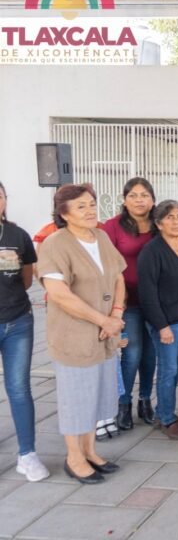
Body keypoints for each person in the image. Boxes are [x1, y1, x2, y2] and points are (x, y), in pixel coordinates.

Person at [39, 184, 127, 484]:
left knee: (97, 393)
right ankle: (73, 457)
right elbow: (59, 294)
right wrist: (102, 320)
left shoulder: (100, 236)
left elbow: (118, 276)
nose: (90, 210)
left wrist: (115, 314)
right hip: (74, 334)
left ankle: (90, 450)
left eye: (92, 204)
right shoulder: (55, 244)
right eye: (81, 206)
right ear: (63, 213)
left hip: (104, 334)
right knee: (76, 397)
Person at [138, 201, 178, 440]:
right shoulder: (152, 252)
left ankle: (165, 411)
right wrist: (162, 326)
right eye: (169, 217)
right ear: (158, 223)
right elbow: (147, 293)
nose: (176, 221)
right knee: (168, 370)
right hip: (167, 323)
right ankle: (166, 419)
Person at [0, 182, 49, 482]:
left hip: (18, 321)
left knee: (19, 389)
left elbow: (27, 279)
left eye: (0, 196)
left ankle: (27, 454)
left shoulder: (17, 235)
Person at [101, 177, 157, 434]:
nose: (139, 200)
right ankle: (123, 404)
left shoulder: (160, 223)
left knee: (151, 354)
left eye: (144, 195)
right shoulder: (112, 227)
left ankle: (146, 401)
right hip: (128, 301)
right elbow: (107, 266)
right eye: (133, 195)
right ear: (124, 200)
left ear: (152, 199)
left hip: (156, 301)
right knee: (132, 353)